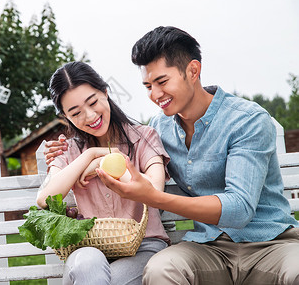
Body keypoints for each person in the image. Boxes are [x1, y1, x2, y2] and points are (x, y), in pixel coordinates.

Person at [46, 27, 299, 284]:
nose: (155, 95)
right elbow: (122, 144)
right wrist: (80, 156)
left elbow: (239, 210)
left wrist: (154, 197)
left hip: (271, 243)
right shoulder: (160, 128)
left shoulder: (247, 120)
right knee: (161, 269)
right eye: (148, 86)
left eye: (162, 82)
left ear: (193, 71)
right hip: (210, 247)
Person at [37, 61, 171, 285]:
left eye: (93, 102)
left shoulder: (144, 136)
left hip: (143, 248)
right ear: (65, 117)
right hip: (87, 248)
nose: (90, 116)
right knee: (87, 263)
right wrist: (89, 157)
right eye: (75, 112)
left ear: (106, 93)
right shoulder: (68, 150)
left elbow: (154, 190)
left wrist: (107, 163)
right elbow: (44, 199)